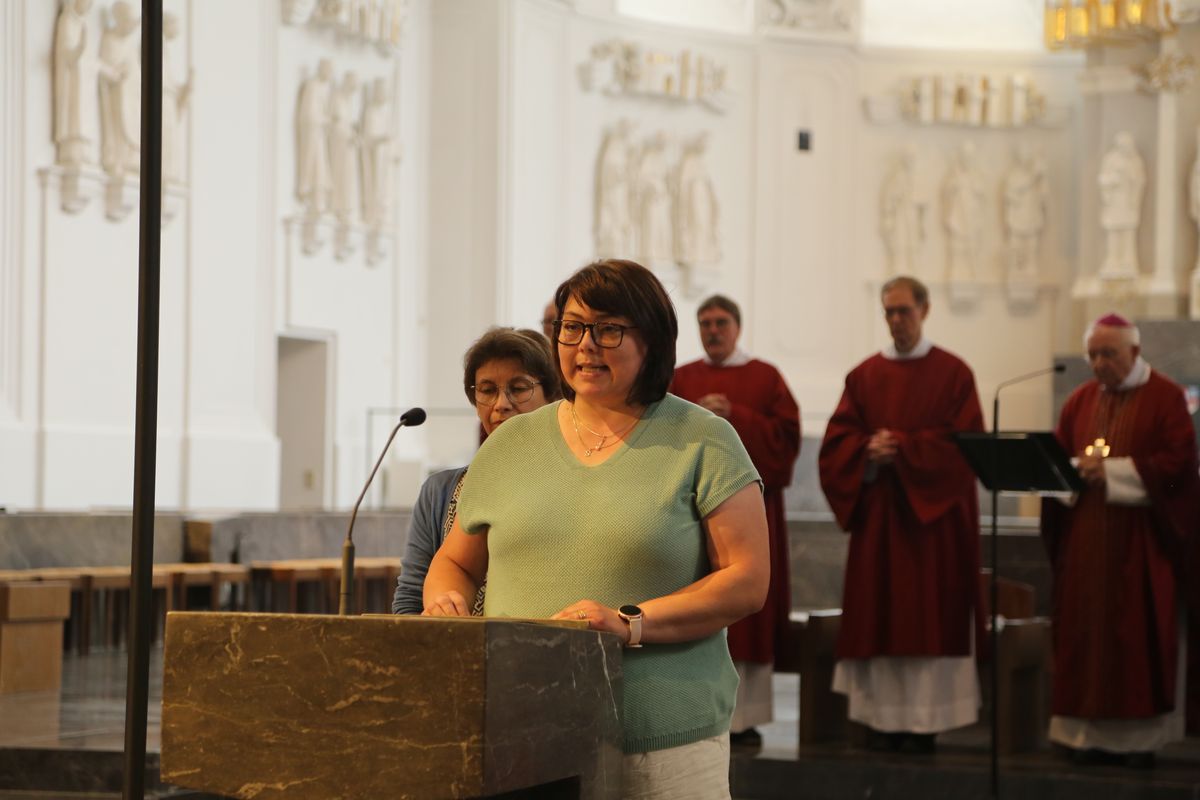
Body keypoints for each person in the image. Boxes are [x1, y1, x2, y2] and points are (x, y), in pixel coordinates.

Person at [424, 259, 769, 799]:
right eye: (572, 327)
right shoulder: (511, 444)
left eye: (608, 330)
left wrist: (631, 623)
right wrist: (446, 599)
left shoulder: (704, 440)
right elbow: (457, 561)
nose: (585, 345)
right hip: (523, 729)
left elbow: (746, 579)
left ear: (652, 340)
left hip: (659, 736)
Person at [818, 275, 984, 753]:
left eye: (904, 311)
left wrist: (905, 450)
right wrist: (866, 450)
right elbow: (835, 447)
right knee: (879, 618)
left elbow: (966, 446)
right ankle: (882, 721)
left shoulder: (954, 374)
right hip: (881, 522)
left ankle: (925, 724)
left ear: (925, 311)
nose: (896, 321)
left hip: (933, 528)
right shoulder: (864, 375)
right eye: (888, 312)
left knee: (927, 619)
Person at [1041, 313, 1199, 767]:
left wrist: (1110, 473)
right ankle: (1083, 737)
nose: (1098, 364)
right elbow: (1057, 463)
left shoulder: (1167, 399)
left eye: (1107, 353)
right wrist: (1072, 474)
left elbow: (1178, 472)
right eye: (1092, 354)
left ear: (1134, 351)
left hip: (1142, 548)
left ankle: (1135, 744)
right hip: (1086, 546)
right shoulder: (1078, 401)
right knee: (1084, 640)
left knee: (1135, 641)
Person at [671, 294, 800, 747]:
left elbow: (786, 445)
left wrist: (735, 417)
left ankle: (746, 720)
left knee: (746, 618)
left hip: (749, 519)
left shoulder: (765, 377)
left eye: (721, 321)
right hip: (690, 519)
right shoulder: (681, 378)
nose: (712, 330)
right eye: (704, 322)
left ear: (738, 327)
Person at [391, 328, 560, 615]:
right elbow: (409, 600)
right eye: (487, 390)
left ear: (552, 396)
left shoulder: (570, 481)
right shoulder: (440, 491)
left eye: (518, 388)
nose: (501, 404)